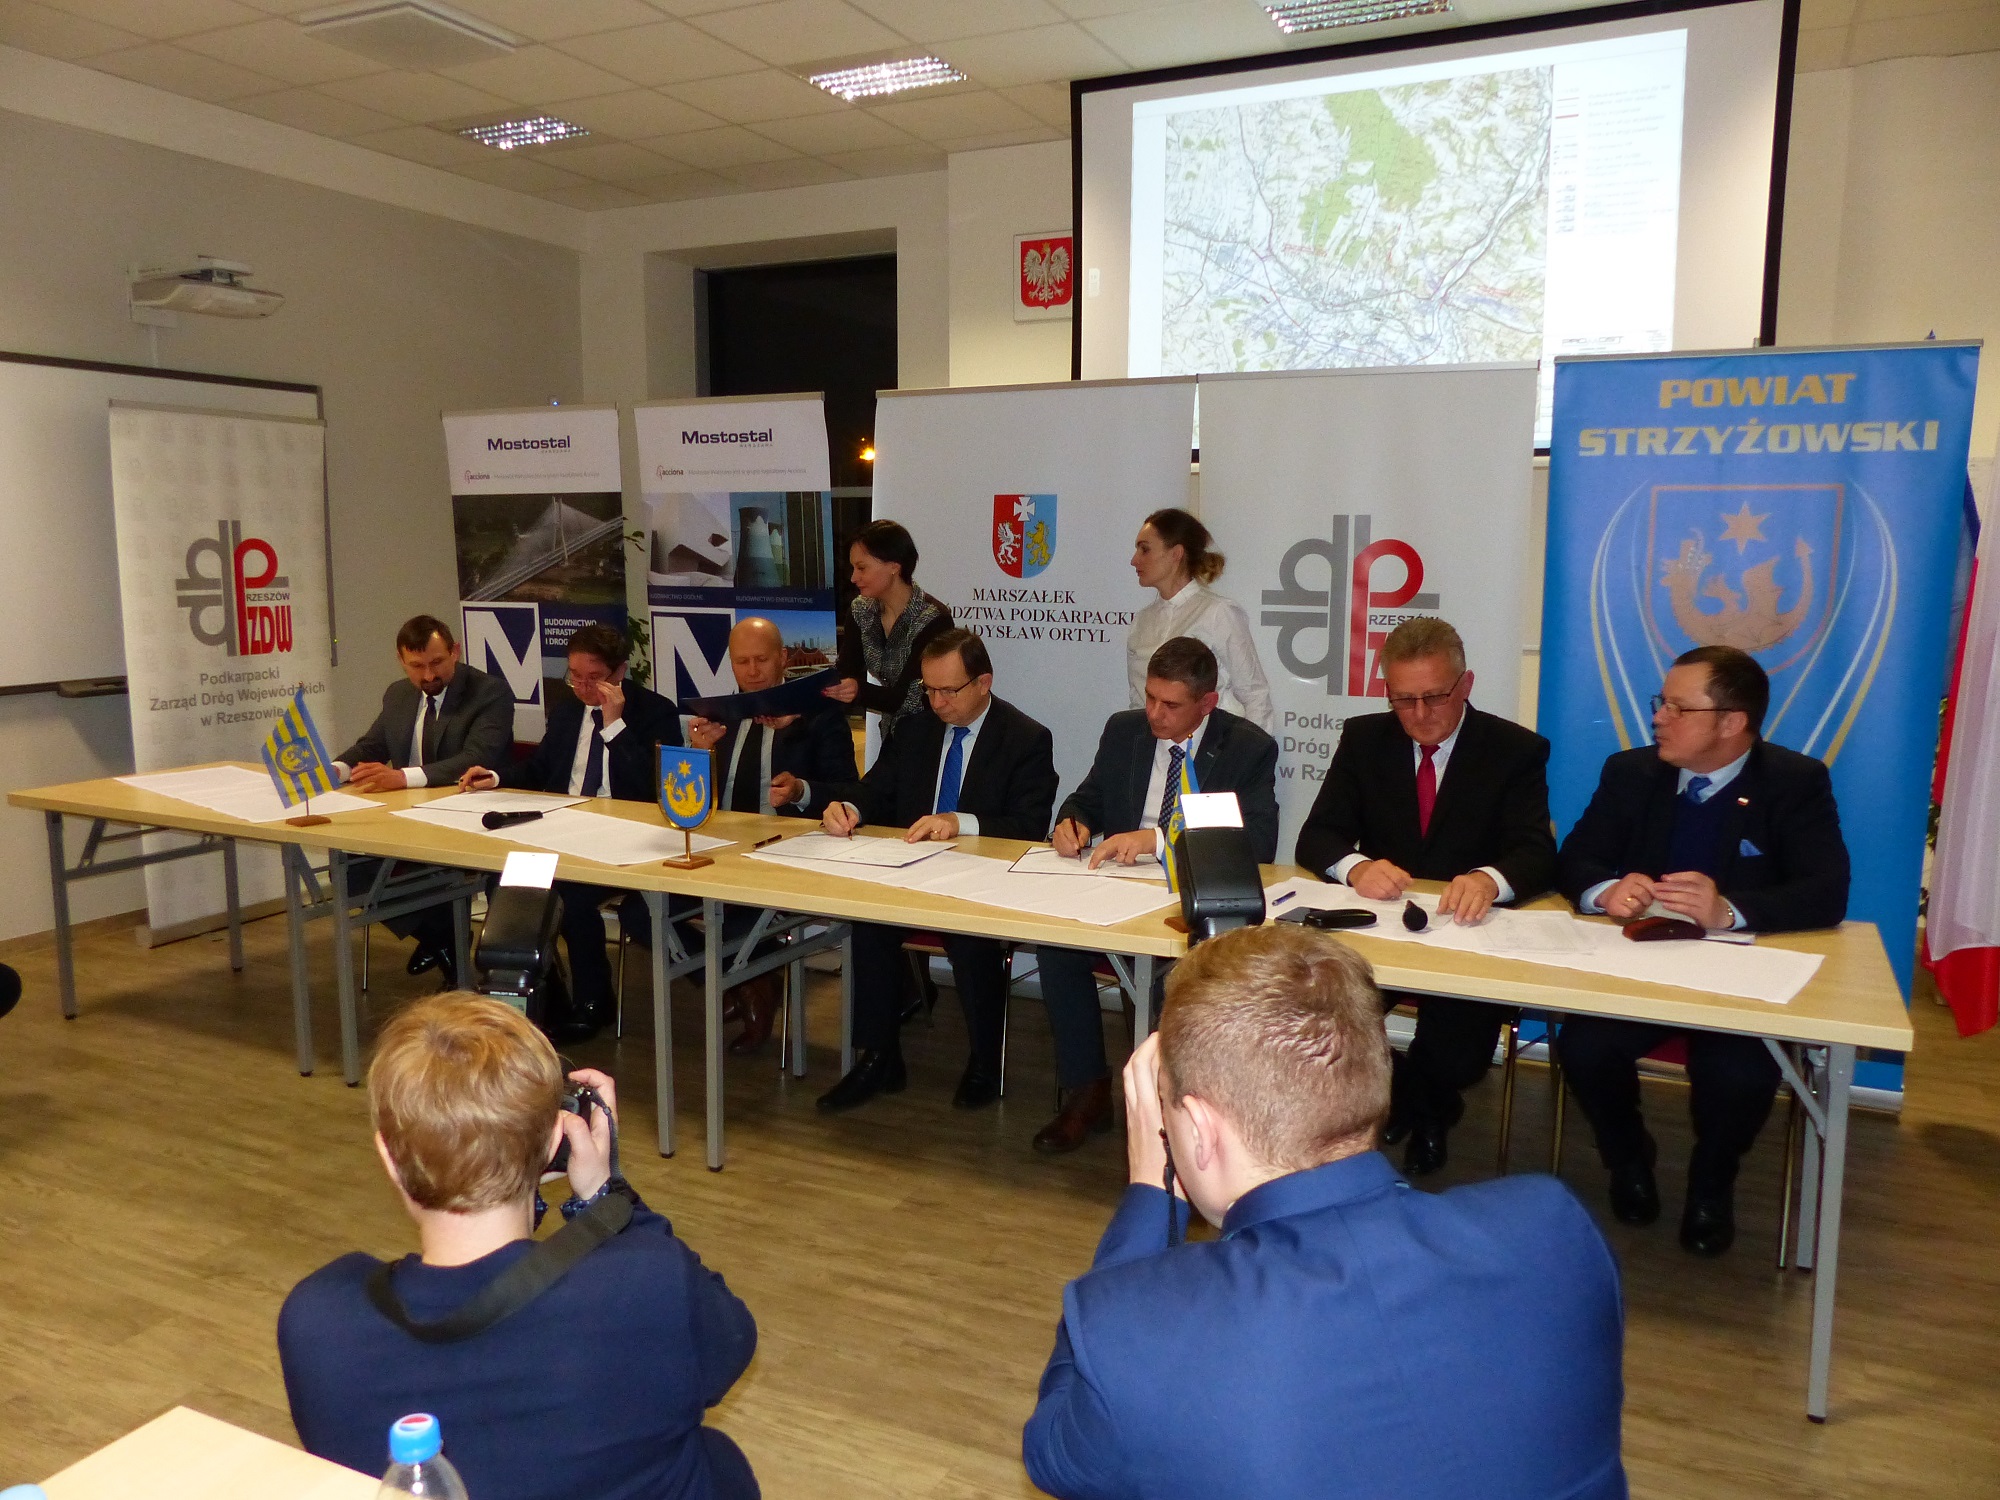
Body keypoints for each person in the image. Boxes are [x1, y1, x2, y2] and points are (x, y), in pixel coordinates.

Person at [1021, 924, 1627, 1500]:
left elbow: (1056, 1454)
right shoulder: (1551, 1227)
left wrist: (1151, 1190)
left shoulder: (1139, 1325)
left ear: (1199, 1129)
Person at [278, 993, 758, 1500]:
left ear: (388, 1156)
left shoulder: (315, 1321)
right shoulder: (646, 1284)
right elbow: (731, 1343)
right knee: (716, 1458)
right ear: (554, 1140)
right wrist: (609, 1200)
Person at [1556, 645, 1850, 1257]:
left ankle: (1712, 1181)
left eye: (1677, 707)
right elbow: (1575, 858)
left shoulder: (1794, 782)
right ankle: (1627, 1158)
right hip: (1639, 968)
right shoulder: (1631, 772)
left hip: (1737, 979)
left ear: (1731, 722)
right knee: (1585, 1047)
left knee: (1738, 1074)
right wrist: (1606, 890)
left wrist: (1730, 912)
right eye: (1660, 703)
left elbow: (1826, 892)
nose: (1658, 717)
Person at [1293, 617, 1556, 1176]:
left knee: (1459, 1056)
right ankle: (1421, 1102)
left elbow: (1536, 852)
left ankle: (1421, 1102)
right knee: (1321, 1019)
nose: (1418, 714)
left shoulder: (1513, 750)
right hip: (1383, 933)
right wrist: (1357, 867)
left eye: (1434, 697)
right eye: (1402, 700)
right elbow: (1317, 836)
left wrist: (1490, 878)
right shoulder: (1365, 739)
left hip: (1467, 935)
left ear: (1466, 685)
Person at [1032, 636, 1278, 1154]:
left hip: (1192, 894)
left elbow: (1256, 840)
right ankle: (1087, 1091)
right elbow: (1088, 796)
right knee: (1057, 947)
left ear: (1207, 703)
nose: (1154, 714)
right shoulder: (1124, 731)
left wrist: (1159, 840)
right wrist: (1072, 821)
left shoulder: (1246, 746)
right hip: (1120, 887)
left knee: (1169, 969)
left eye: (1170, 704)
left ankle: (1170, 1106)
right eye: (1149, 697)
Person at [806, 628, 1059, 1114]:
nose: (937, 702)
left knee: (971, 938)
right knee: (869, 922)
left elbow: (1028, 826)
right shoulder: (915, 730)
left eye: (949, 691)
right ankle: (879, 1057)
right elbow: (876, 788)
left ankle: (984, 1061)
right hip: (911, 872)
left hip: (980, 881)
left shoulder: (1025, 738)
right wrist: (849, 808)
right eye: (929, 690)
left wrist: (959, 821)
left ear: (983, 683)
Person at [459, 623, 682, 1044]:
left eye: (593, 678)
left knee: (571, 897)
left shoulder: (656, 712)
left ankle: (594, 1001)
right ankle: (549, 996)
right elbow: (541, 768)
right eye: (574, 677)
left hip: (627, 837)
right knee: (504, 882)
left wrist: (614, 726)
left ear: (619, 672)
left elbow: (656, 787)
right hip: (565, 830)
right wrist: (496, 777)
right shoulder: (566, 711)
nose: (582, 688)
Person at [686, 616, 858, 1052]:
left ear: (783, 658)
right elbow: (688, 800)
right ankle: (741, 981)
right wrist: (697, 755)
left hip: (786, 850)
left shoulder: (818, 714)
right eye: (741, 661)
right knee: (641, 910)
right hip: (719, 846)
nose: (753, 671)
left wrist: (800, 790)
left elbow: (848, 792)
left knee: (737, 910)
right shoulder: (717, 716)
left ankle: (748, 982)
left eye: (761, 660)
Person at [337, 614, 515, 987]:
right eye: (417, 666)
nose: (429, 675)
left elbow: (477, 756)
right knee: (350, 865)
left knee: (400, 869)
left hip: (466, 814)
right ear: (401, 661)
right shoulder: (398, 694)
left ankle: (448, 947)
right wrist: (334, 770)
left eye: (437, 662)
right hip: (407, 819)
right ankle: (444, 937)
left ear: (455, 652)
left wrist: (402, 777)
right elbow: (372, 746)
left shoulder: (489, 692)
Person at [1126, 508, 1274, 733]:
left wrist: (1249, 752)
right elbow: (1138, 702)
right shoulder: (1141, 621)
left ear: (1176, 553)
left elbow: (1255, 695)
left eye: (1144, 549)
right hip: (1158, 748)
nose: (1134, 560)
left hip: (1214, 746)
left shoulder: (1218, 612)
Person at [823, 519, 954, 742]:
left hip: (929, 734)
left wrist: (857, 690)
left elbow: (910, 697)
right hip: (891, 733)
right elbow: (845, 670)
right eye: (853, 568)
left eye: (862, 568)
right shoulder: (861, 610)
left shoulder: (933, 619)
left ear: (894, 566)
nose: (853, 578)